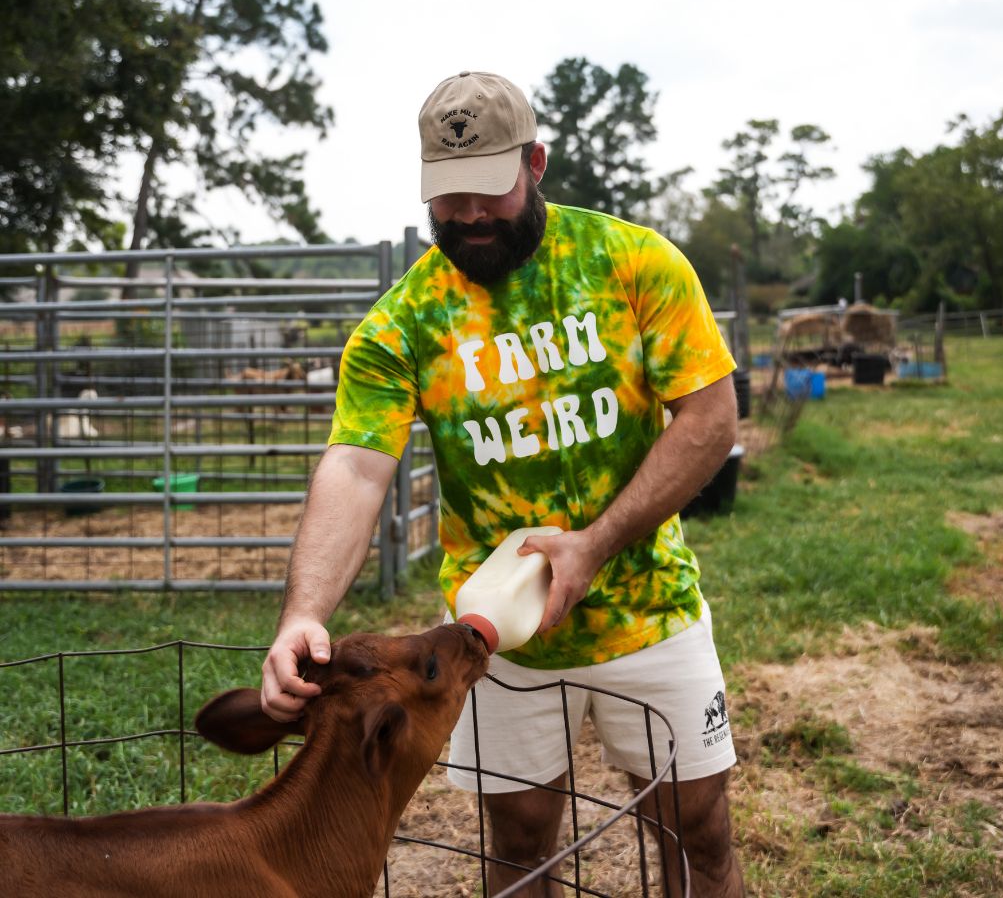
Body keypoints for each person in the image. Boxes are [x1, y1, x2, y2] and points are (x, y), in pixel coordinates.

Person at [261, 70, 744, 897]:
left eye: (489, 189)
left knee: (696, 831)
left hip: (646, 606)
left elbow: (709, 418)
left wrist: (596, 543)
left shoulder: (632, 263)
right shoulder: (402, 323)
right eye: (449, 197)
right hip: (490, 637)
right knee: (520, 842)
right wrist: (305, 612)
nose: (472, 214)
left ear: (537, 164)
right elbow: (355, 464)